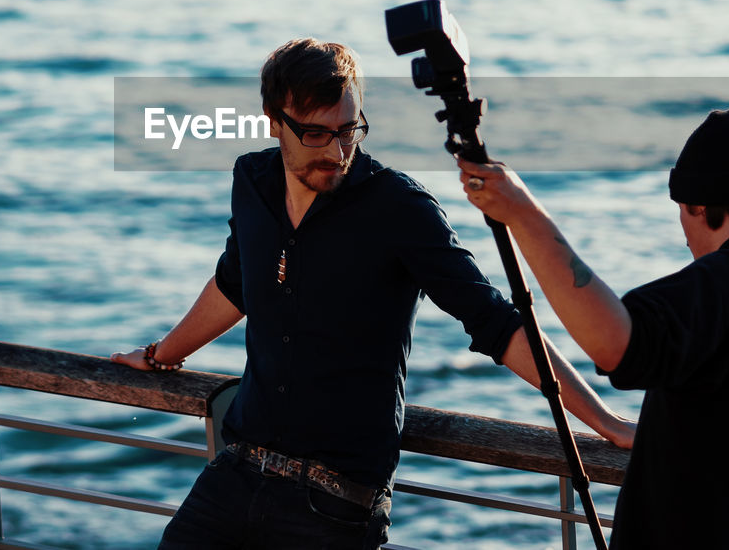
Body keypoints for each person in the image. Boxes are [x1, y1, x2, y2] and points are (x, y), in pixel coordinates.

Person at [114, 38, 634, 550]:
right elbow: (235, 282)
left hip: (334, 507)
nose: (337, 152)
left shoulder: (399, 208)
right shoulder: (253, 180)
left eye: (348, 131)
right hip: (235, 474)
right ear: (273, 121)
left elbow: (497, 322)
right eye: (316, 134)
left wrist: (609, 424)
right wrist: (162, 355)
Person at [458, 109, 729, 549]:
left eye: (682, 212)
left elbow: (616, 345)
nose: (684, 232)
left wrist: (523, 214)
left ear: (700, 206)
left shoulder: (726, 281)